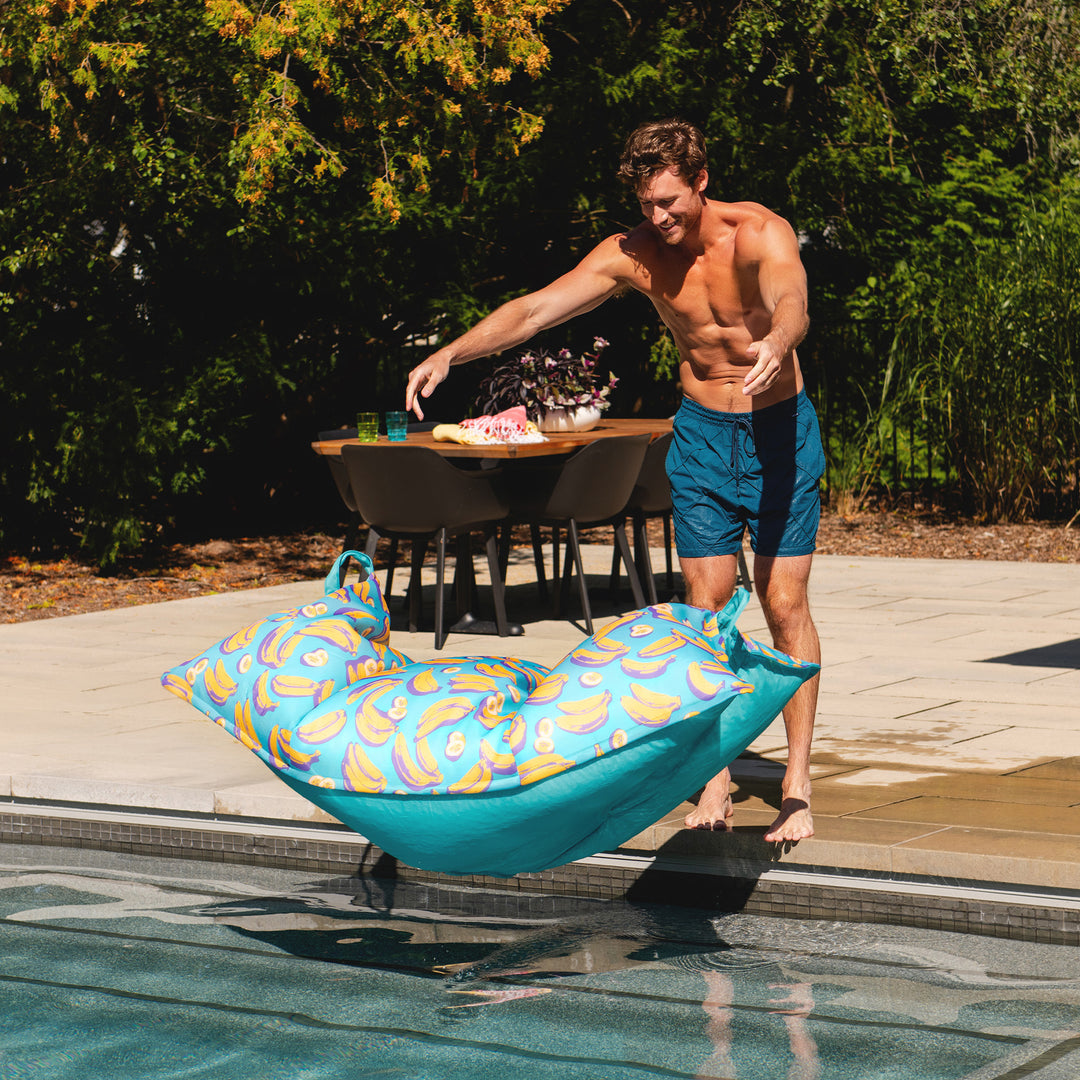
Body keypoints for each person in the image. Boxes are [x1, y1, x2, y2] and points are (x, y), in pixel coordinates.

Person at [405, 118, 823, 843]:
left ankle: (796, 785)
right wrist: (452, 352)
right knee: (706, 607)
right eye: (646, 205)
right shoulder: (632, 254)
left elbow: (792, 301)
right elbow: (535, 310)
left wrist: (777, 344)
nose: (658, 218)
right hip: (700, 435)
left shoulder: (759, 232)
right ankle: (715, 774)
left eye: (669, 201)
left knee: (784, 603)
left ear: (700, 181)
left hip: (778, 431)